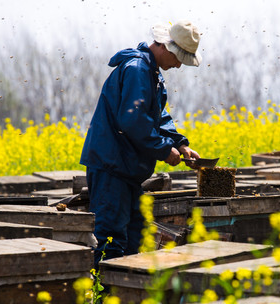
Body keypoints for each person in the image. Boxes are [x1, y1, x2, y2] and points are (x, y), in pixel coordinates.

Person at [80, 20, 202, 267]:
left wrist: (180, 144)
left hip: (125, 170)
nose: (179, 65)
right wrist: (162, 149)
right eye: (179, 58)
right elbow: (133, 120)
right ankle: (102, 300)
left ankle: (122, 301)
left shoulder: (151, 73)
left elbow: (158, 117)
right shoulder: (137, 69)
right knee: (111, 240)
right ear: (166, 48)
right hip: (112, 166)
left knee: (136, 238)